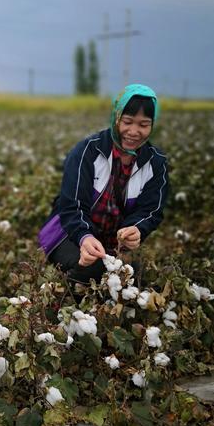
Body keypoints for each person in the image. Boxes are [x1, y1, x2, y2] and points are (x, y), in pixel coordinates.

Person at [38, 84, 169, 286]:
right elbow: (71, 206)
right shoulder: (87, 151)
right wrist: (84, 237)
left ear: (152, 125)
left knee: (134, 277)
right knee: (95, 269)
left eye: (143, 125)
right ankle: (60, 305)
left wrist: (136, 229)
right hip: (68, 233)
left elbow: (152, 209)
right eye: (127, 122)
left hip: (112, 244)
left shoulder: (156, 163)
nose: (134, 131)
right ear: (116, 118)